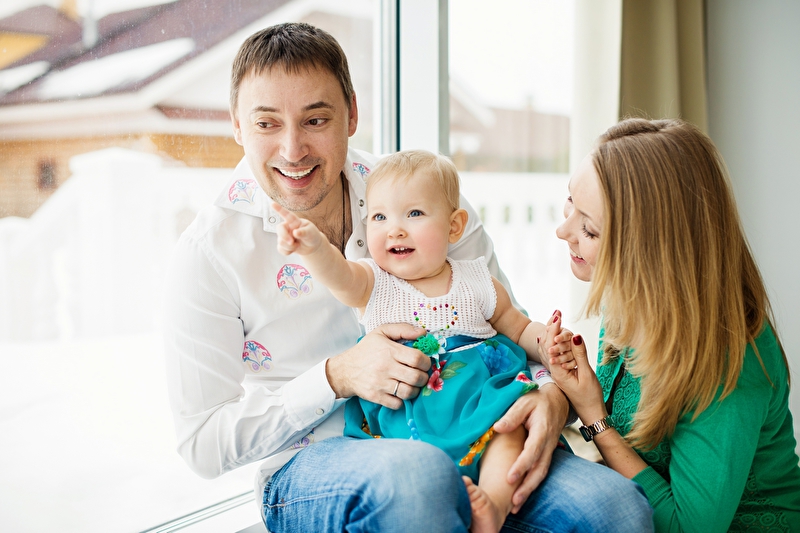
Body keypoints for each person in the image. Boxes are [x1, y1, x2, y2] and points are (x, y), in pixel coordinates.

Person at [163, 22, 654, 532]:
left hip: (475, 422)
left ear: (352, 114)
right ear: (237, 125)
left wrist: (550, 395)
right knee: (419, 480)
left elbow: (507, 326)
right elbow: (202, 443)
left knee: (617, 510)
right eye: (267, 123)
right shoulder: (208, 253)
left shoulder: (424, 197)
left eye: (315, 119)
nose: (292, 149)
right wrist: (335, 376)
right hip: (314, 458)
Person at [272, 149, 575, 533]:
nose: (395, 230)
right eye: (379, 217)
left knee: (508, 427)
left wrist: (547, 341)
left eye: (414, 214)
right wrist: (313, 248)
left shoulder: (477, 280)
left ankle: (494, 505)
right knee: (413, 473)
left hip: (479, 398)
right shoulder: (373, 283)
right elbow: (339, 276)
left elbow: (518, 328)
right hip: (411, 410)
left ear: (454, 227)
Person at [547, 117, 800, 532]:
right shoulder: (629, 297)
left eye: (589, 229)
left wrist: (595, 418)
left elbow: (687, 528)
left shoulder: (728, 361)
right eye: (570, 201)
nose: (563, 231)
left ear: (648, 249)